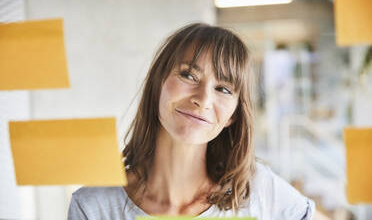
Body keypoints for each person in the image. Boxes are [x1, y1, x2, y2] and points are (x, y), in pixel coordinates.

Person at [68, 23, 315, 220]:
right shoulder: (93, 207)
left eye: (224, 89)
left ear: (234, 116)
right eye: (188, 75)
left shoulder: (258, 190)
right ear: (158, 85)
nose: (203, 99)